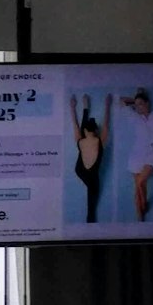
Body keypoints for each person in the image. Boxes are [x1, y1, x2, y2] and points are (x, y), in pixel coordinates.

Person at [116, 87, 153, 221]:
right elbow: (120, 100)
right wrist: (137, 98)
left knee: (140, 182)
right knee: (139, 186)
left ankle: (143, 207)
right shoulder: (134, 116)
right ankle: (140, 214)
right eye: (136, 105)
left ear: (147, 103)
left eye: (141, 104)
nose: (138, 107)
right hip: (136, 154)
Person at [69, 93, 109, 223]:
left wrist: (72, 108)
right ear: (96, 130)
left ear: (85, 131)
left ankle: (85, 107)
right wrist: (108, 105)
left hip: (79, 170)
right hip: (92, 177)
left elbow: (75, 124)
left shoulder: (80, 140)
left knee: (91, 203)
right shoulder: (100, 140)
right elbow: (106, 124)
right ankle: (90, 222)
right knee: (91, 207)